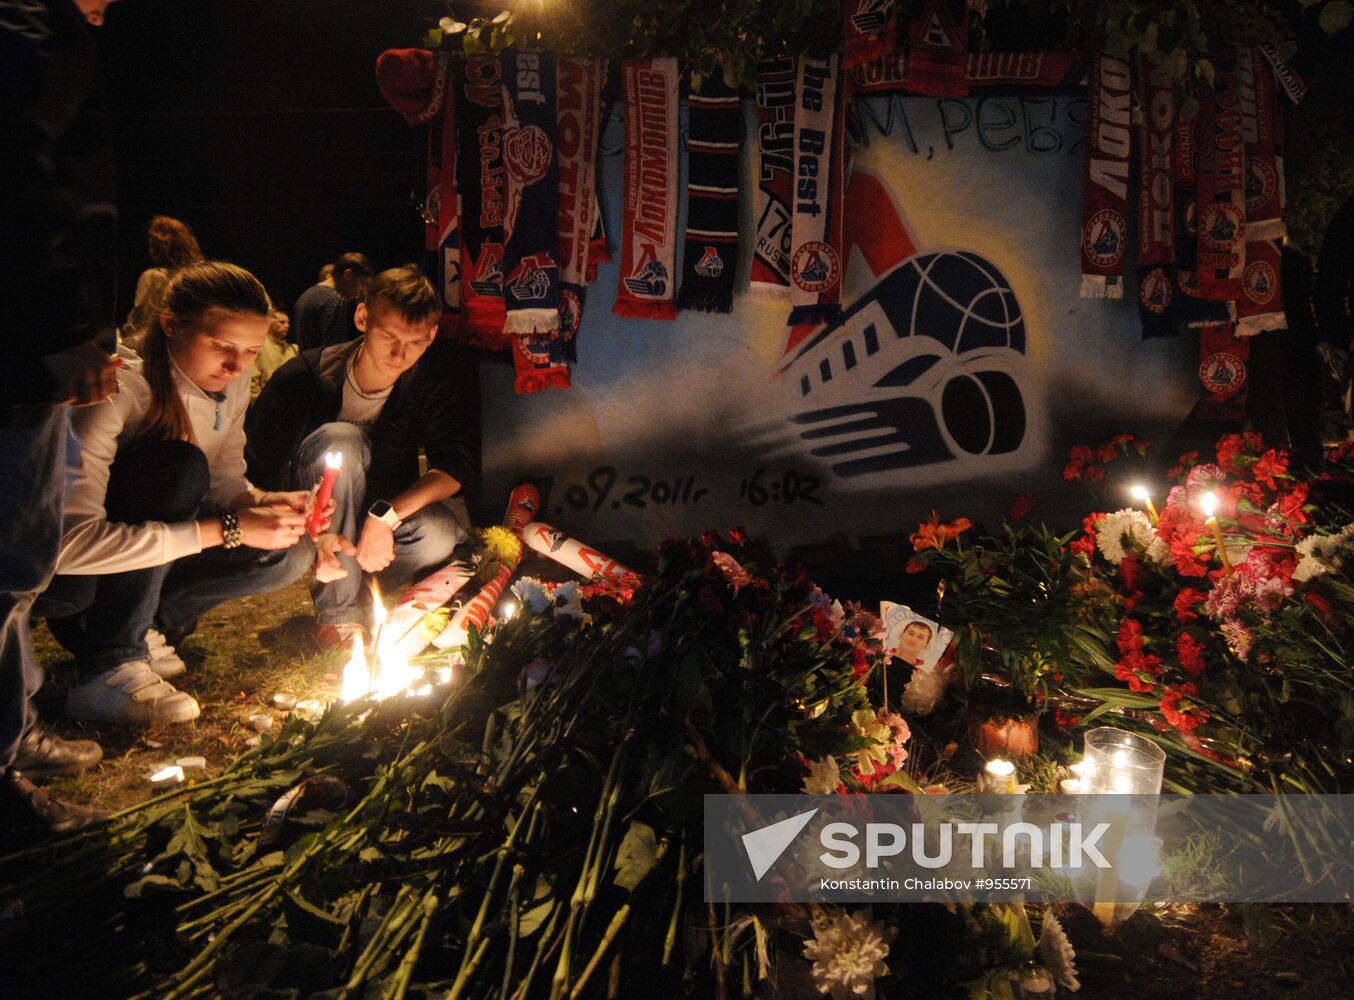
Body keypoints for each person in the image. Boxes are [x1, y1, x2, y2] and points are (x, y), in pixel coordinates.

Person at [41, 261, 349, 725]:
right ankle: (108, 662)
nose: (236, 365)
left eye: (250, 351)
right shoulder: (118, 391)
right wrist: (228, 528)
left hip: (143, 564)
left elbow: (226, 478)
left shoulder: (232, 379)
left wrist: (260, 504)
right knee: (181, 468)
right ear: (170, 325)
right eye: (222, 346)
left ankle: (143, 625)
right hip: (77, 585)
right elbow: (66, 546)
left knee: (290, 550)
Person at [1, 0, 124, 833]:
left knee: (14, 568)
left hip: (27, 342)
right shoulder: (29, 31)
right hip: (20, 348)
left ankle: (11, 732)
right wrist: (65, 327)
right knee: (9, 561)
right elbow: (19, 173)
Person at [248, 265, 480, 648]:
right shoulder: (305, 375)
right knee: (343, 440)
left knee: (438, 533)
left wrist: (385, 516)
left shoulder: (427, 382)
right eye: (388, 336)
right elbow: (256, 465)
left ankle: (351, 597)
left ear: (432, 335)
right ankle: (337, 622)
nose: (399, 353)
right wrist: (304, 523)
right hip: (305, 520)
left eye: (416, 342)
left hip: (374, 514)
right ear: (362, 318)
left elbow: (456, 465)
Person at [119, 215, 204, 349]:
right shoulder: (197, 276)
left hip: (149, 347)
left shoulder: (152, 276)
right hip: (184, 347)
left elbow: (139, 317)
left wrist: (123, 336)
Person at [292, 251, 373, 351]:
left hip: (305, 363)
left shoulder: (306, 296)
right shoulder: (335, 301)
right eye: (362, 284)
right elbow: (333, 353)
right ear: (348, 275)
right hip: (320, 366)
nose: (362, 291)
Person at [250, 309, 298, 401]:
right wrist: (259, 402)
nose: (287, 326)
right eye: (282, 322)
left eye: (288, 323)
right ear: (271, 324)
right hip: (267, 401)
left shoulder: (292, 350)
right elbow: (253, 378)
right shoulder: (260, 346)